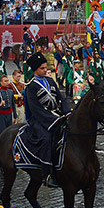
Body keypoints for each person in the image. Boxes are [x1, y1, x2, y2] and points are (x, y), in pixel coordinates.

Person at [20, 52, 69, 182]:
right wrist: (54, 120)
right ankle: (46, 173)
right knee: (46, 138)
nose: (45, 70)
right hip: (39, 120)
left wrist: (68, 112)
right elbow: (36, 109)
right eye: (42, 68)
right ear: (35, 69)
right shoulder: (31, 87)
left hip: (54, 115)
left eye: (46, 67)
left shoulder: (51, 81)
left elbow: (61, 98)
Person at [0, 75, 16, 140]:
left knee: (9, 133)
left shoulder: (10, 91)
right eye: (5, 81)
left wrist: (15, 116)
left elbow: (13, 104)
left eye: (8, 81)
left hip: (9, 115)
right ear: (1, 82)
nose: (7, 82)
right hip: (1, 116)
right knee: (2, 134)